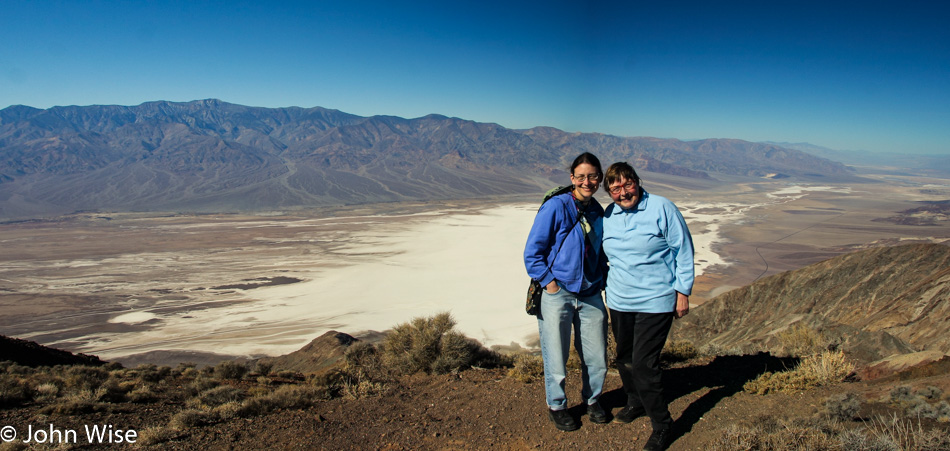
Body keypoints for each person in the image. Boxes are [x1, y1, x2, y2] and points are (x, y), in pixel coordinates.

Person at [601, 162, 694, 451]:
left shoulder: (662, 208)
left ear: (637, 182)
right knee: (624, 358)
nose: (623, 192)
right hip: (619, 300)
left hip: (655, 300)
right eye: (615, 188)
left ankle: (663, 425)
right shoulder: (610, 214)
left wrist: (683, 291)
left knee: (644, 364)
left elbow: (683, 249)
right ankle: (635, 402)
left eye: (627, 184)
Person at [523, 152, 610, 432]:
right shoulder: (556, 207)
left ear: (600, 178)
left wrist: (601, 278)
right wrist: (550, 283)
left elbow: (602, 252)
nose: (588, 181)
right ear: (572, 178)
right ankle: (557, 405)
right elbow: (532, 253)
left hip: (590, 292)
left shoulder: (598, 211)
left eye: (593, 176)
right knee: (556, 354)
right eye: (581, 176)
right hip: (558, 293)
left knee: (597, 356)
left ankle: (593, 400)